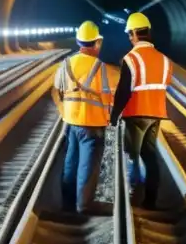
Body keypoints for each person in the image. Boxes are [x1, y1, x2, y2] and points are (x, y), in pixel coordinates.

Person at [52, 20, 118, 214]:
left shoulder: (66, 64)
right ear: (97, 43)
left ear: (79, 42)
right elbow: (115, 95)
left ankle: (67, 205)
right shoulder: (103, 69)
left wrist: (63, 110)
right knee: (87, 169)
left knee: (71, 163)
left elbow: (55, 91)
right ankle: (84, 207)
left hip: (72, 123)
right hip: (93, 126)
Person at [109, 12, 172, 210]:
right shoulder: (164, 60)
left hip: (136, 114)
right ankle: (150, 200)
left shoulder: (131, 58)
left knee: (131, 155)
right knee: (150, 155)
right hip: (157, 113)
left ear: (136, 33)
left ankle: (132, 197)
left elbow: (123, 91)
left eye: (130, 34)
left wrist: (114, 115)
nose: (130, 38)